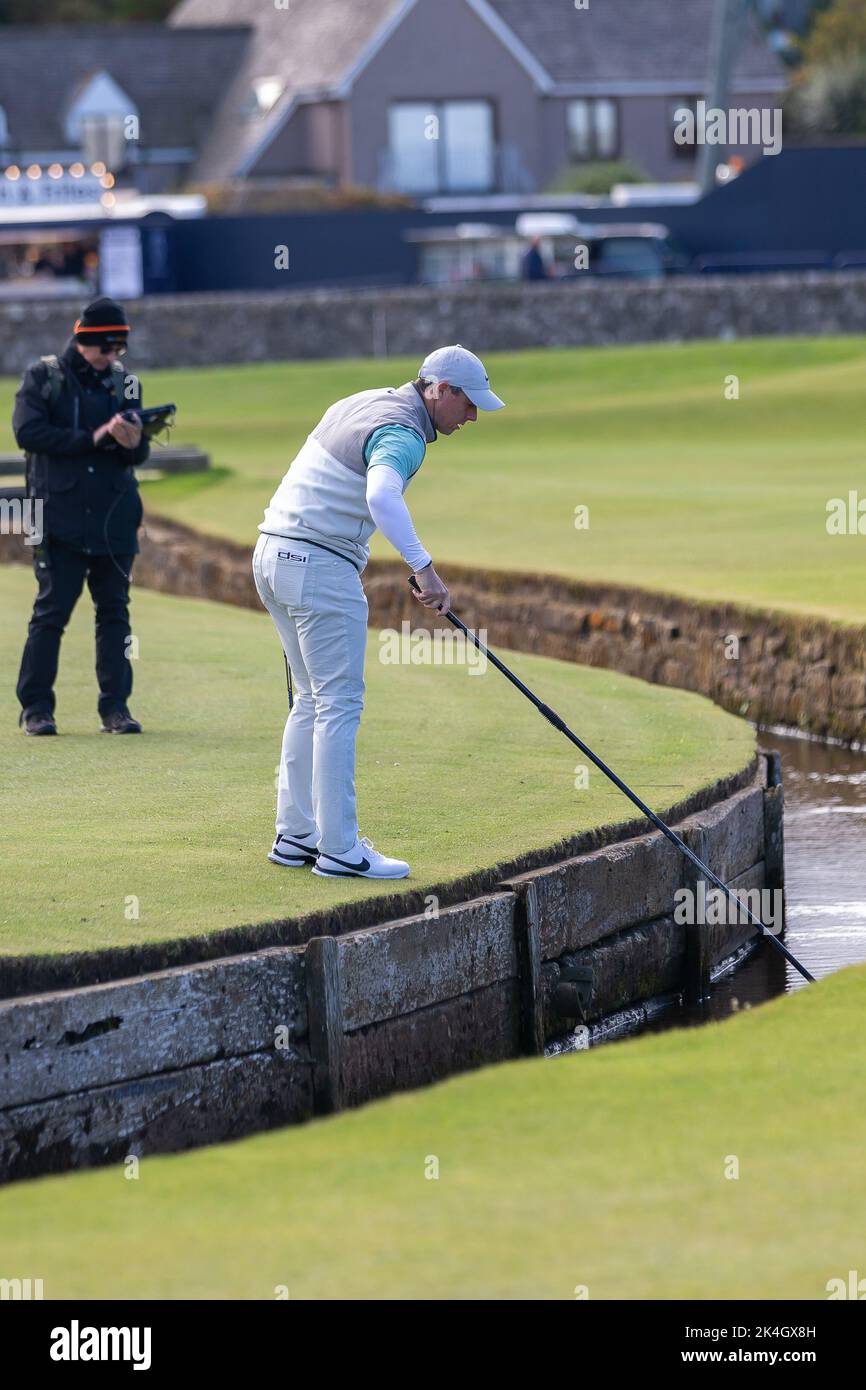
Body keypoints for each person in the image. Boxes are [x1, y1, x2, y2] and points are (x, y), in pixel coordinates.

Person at [253, 343, 505, 880]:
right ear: (439, 389)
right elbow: (382, 498)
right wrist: (425, 570)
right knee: (339, 704)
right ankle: (341, 849)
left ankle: (296, 835)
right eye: (467, 403)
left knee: (310, 701)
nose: (473, 416)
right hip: (320, 565)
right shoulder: (406, 433)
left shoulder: (361, 401)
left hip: (272, 554)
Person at [14, 296, 149, 735]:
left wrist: (133, 442)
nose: (113, 357)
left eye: (119, 350)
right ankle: (36, 709)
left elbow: (139, 453)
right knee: (51, 613)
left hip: (114, 517)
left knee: (115, 614)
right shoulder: (43, 377)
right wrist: (92, 437)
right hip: (58, 517)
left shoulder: (125, 384)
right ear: (86, 340)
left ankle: (116, 708)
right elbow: (28, 432)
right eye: (107, 348)